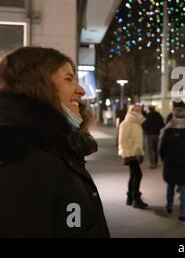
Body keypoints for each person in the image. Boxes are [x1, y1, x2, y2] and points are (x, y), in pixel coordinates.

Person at [0, 47, 110, 237]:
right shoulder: (19, 156)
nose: (81, 90)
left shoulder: (55, 146)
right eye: (68, 79)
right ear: (37, 85)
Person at [159, 107, 185, 224]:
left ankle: (169, 206)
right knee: (184, 188)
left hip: (170, 161)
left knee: (170, 185)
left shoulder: (168, 130)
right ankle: (183, 216)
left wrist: (163, 158)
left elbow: (162, 148)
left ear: (173, 116)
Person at [118, 105, 148, 209]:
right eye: (138, 110)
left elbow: (138, 141)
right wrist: (126, 154)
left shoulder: (137, 122)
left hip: (136, 153)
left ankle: (130, 197)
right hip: (130, 154)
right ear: (133, 111)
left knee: (134, 175)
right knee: (138, 175)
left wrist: (141, 153)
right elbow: (122, 140)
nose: (140, 112)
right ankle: (135, 198)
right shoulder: (126, 123)